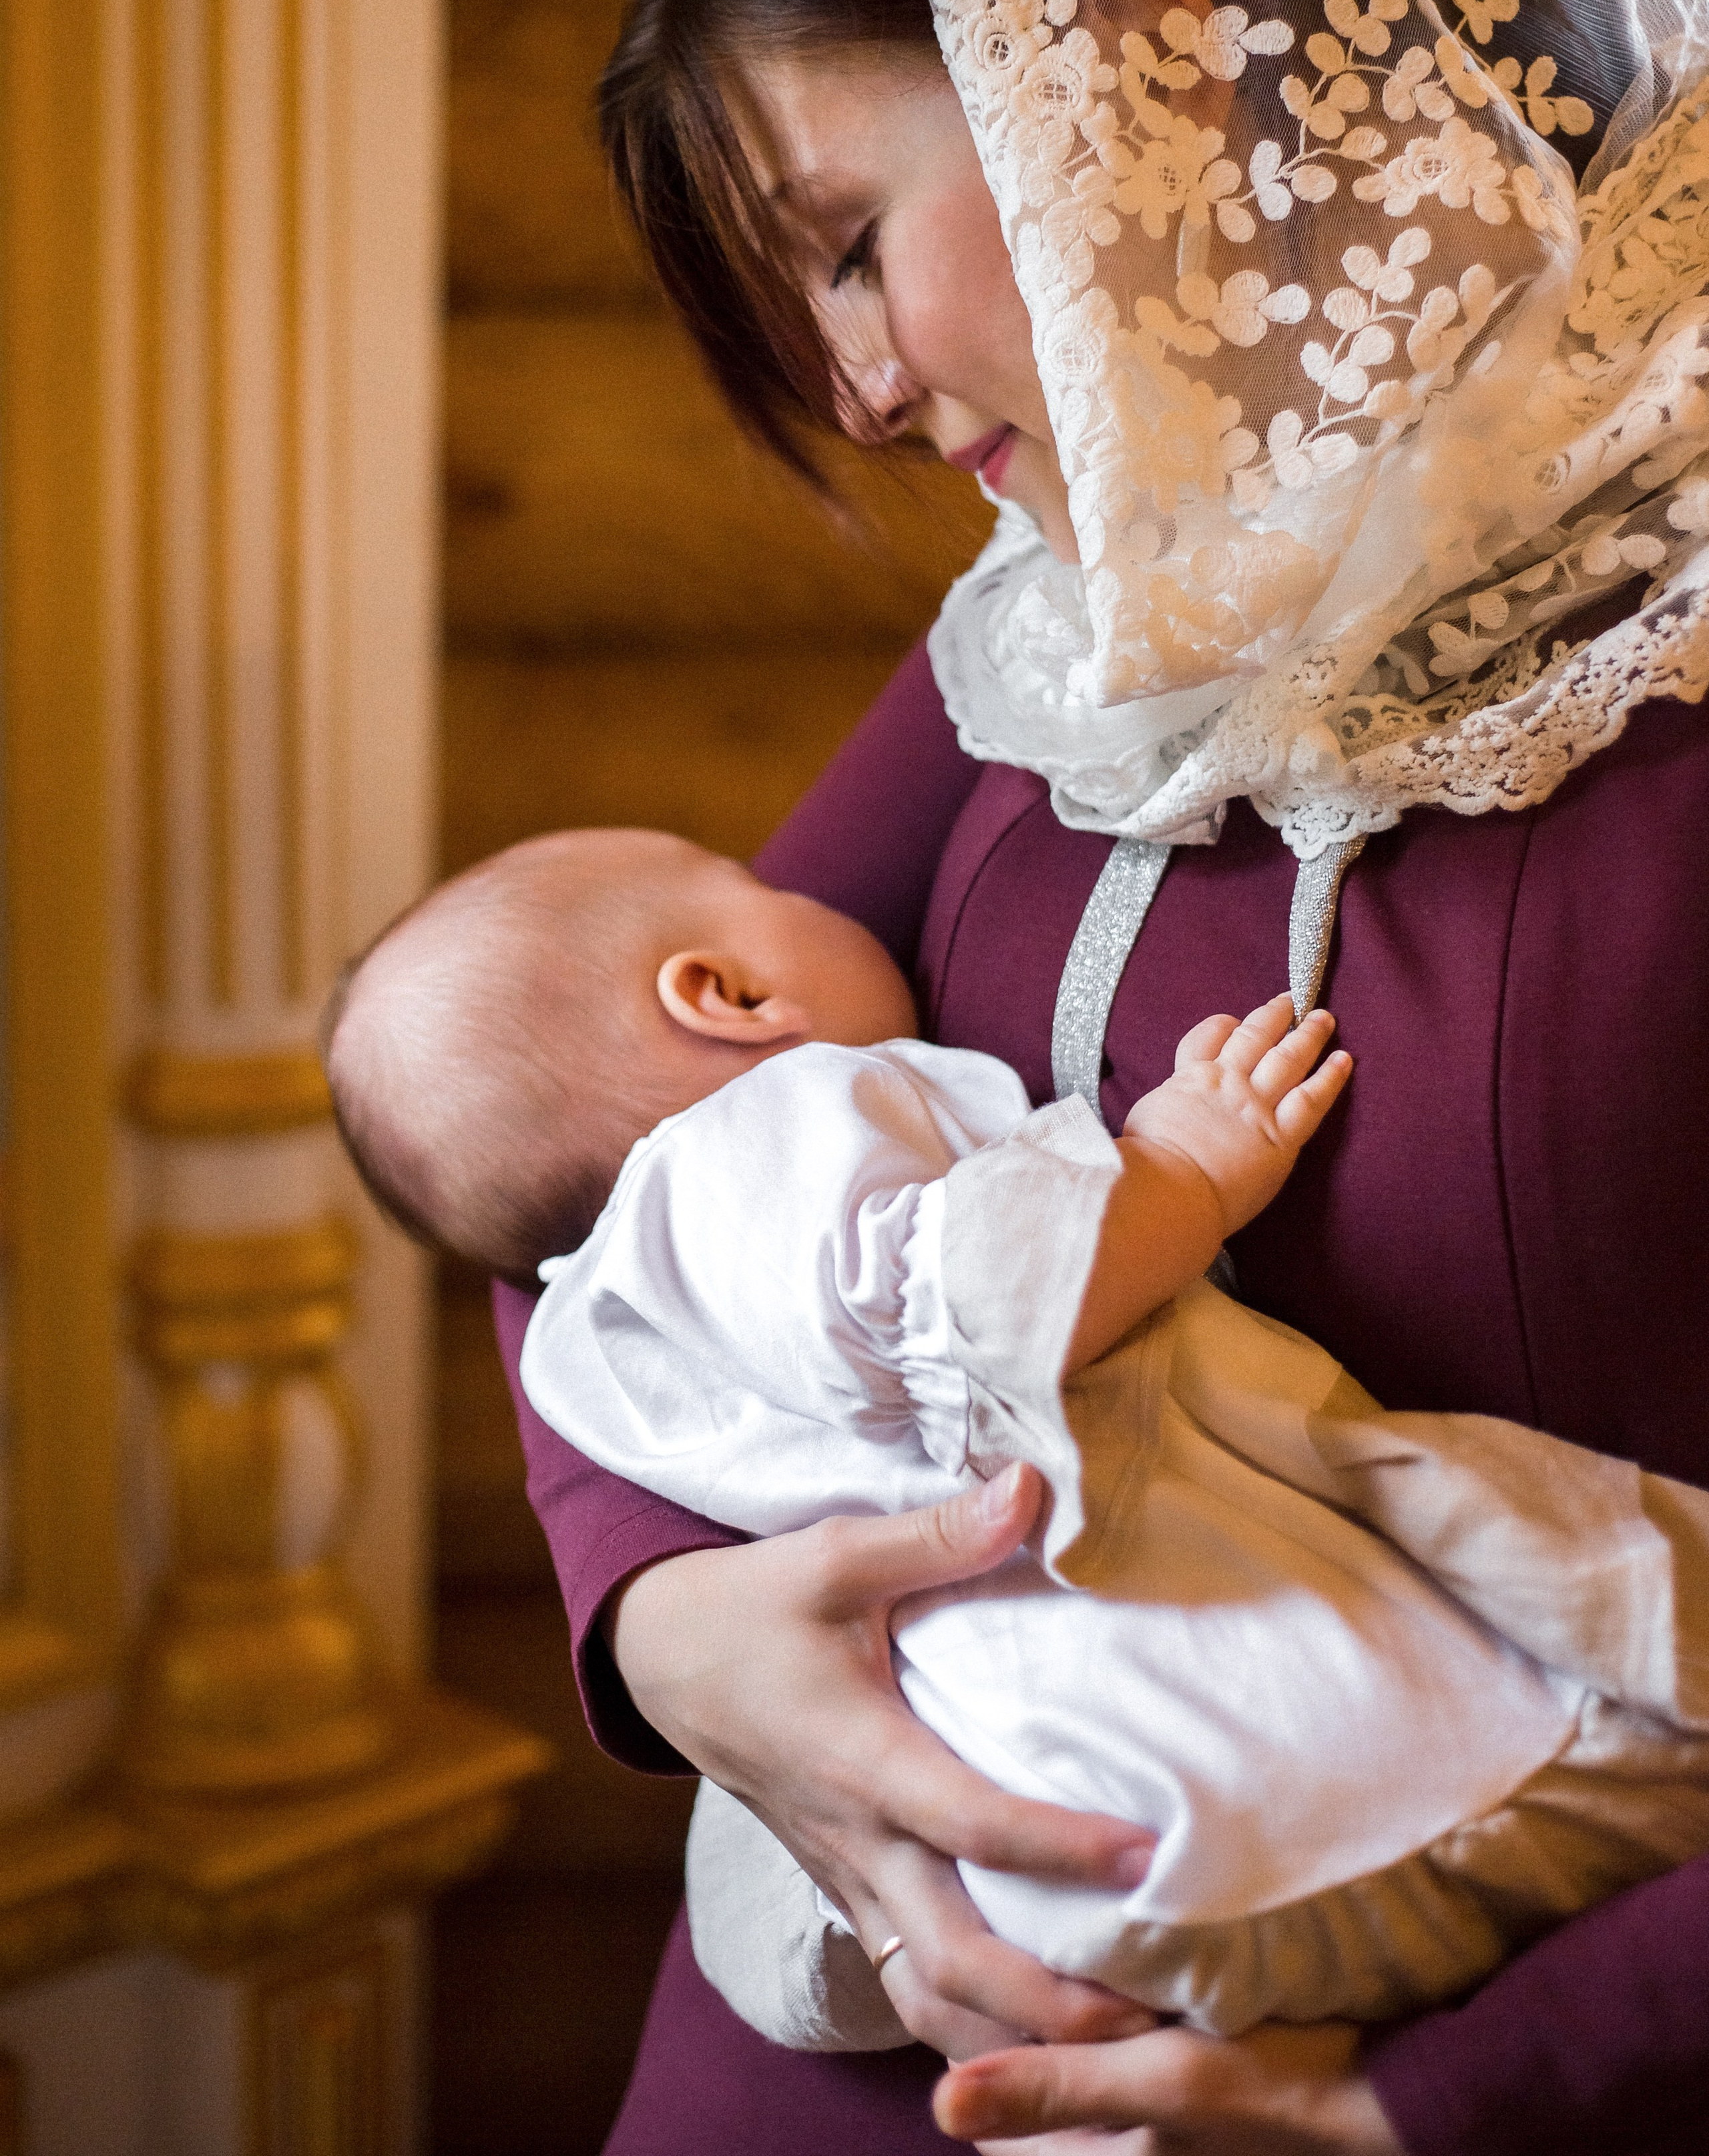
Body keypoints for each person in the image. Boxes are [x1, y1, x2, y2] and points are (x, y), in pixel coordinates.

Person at [488, 0, 1709, 2150]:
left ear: (1136, 50)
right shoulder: (1050, 650)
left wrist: (1417, 2114)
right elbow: (578, 1150)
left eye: (841, 242)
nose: (852, 390)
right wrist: (677, 1619)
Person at [328, 824, 1709, 2055]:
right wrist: (1183, 1166)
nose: (804, 886)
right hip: (1262, 1744)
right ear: (726, 995)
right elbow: (978, 1302)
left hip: (1049, 1868)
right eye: (753, 889)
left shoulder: (592, 1331)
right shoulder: (765, 1128)